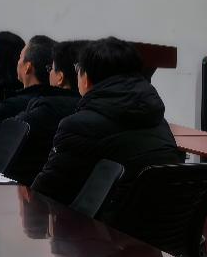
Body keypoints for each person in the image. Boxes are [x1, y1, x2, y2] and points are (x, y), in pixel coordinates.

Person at [31, 37, 184, 211]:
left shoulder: (78, 126)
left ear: (86, 78)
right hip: (165, 224)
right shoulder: (157, 120)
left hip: (103, 227)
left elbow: (44, 193)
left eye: (78, 68)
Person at [3, 39, 88, 186]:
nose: (48, 73)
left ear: (60, 77)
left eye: (51, 68)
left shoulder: (46, 107)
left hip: (30, 187)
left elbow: (1, 134)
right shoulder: (87, 108)